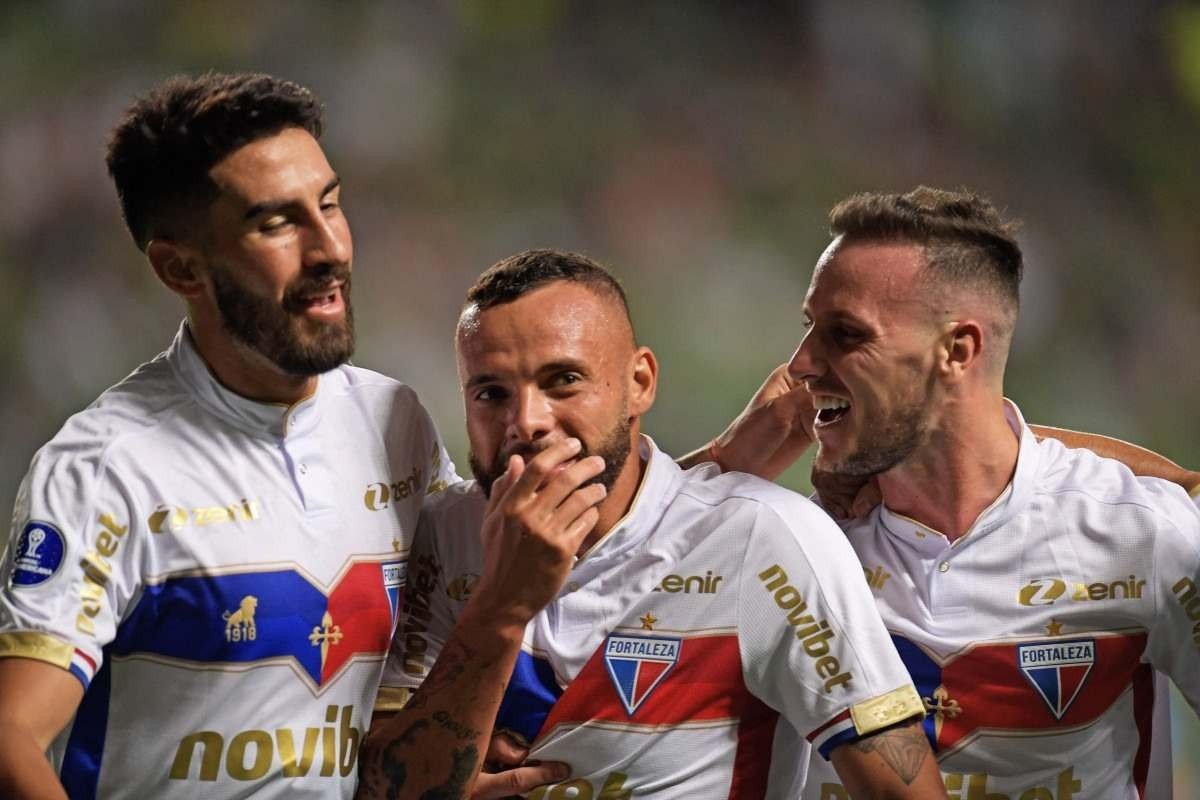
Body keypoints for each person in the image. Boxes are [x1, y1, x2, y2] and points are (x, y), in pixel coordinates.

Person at [0, 72, 560, 800]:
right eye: (276, 223)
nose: (330, 248)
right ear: (180, 268)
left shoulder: (394, 420)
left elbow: (508, 550)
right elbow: (11, 735)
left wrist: (703, 476)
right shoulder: (106, 469)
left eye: (329, 203)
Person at [368, 249, 950, 799]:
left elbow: (901, 788)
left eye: (563, 380)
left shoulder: (766, 539)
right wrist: (500, 607)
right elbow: (387, 787)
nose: (528, 421)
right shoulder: (439, 538)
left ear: (639, 382)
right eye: (491, 393)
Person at [697, 187, 1200, 799]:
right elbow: (613, 568)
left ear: (958, 352)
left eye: (845, 335)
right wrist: (724, 462)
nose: (799, 365)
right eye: (809, 329)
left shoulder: (1137, 534)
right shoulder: (794, 547)